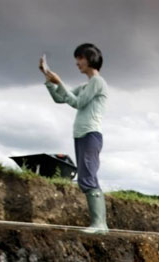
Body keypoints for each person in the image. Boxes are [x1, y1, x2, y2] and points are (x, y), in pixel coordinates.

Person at [39, 43, 109, 233]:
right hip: (81, 135)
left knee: (87, 176)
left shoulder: (97, 82)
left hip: (90, 134)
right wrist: (49, 81)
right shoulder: (87, 85)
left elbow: (77, 102)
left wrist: (59, 81)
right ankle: (99, 224)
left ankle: (100, 224)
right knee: (85, 177)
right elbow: (62, 98)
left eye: (80, 58)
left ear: (90, 59)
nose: (77, 63)